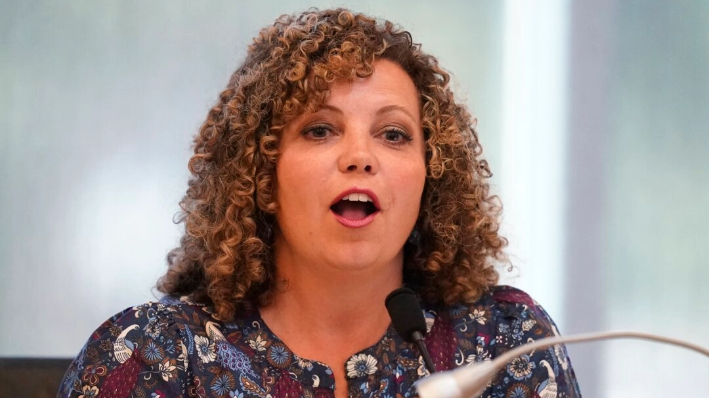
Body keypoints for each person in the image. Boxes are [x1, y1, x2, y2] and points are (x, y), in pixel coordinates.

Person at [58, 8, 581, 398]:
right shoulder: (159, 354)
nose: (360, 156)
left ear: (432, 175)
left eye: (394, 134)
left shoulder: (506, 345)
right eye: (321, 129)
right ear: (261, 171)